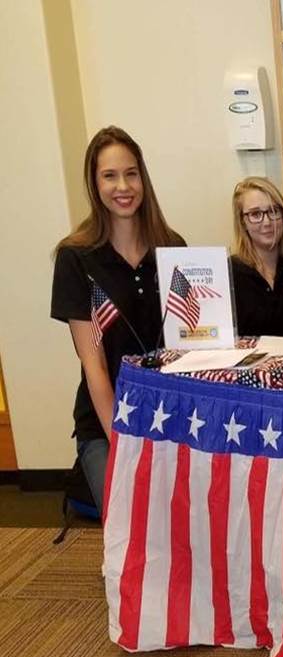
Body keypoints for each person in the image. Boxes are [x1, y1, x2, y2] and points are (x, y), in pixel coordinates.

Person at [51, 126, 185, 514]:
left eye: (131, 173)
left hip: (168, 414)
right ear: (94, 184)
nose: (123, 186)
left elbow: (188, 345)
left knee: (186, 517)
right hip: (109, 419)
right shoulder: (76, 257)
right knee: (129, 515)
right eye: (109, 176)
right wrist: (123, 442)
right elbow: (94, 369)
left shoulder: (173, 247)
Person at [229, 177, 283, 337]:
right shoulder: (230, 273)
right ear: (242, 221)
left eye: (273, 211)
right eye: (255, 214)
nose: (267, 222)